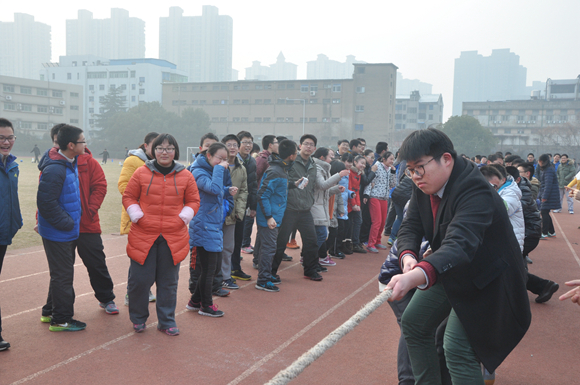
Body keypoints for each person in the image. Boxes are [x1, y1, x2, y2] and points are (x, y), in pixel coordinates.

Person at [386, 128, 530, 384]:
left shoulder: (475, 190)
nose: (415, 177)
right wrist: (408, 258)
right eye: (410, 170)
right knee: (413, 322)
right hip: (451, 269)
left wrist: (417, 275)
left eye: (419, 167)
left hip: (489, 279)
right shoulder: (424, 183)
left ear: (446, 159)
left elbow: (460, 243)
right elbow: (410, 226)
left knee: (457, 347)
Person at [123, 133, 200, 335]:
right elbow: (129, 196)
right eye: (160, 148)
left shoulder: (186, 175)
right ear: (152, 150)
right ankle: (138, 318)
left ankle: (166, 321)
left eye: (169, 148)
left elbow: (193, 201)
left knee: (168, 282)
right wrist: (136, 214)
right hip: (143, 234)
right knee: (139, 281)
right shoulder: (141, 172)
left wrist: (183, 217)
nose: (164, 152)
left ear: (175, 151)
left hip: (173, 236)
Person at [41, 124, 118, 323]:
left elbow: (100, 186)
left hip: (86, 224)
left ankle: (106, 299)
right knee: (61, 271)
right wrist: (40, 220)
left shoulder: (88, 162)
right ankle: (53, 309)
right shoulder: (53, 164)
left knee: (96, 263)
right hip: (63, 226)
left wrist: (90, 210)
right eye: (56, 142)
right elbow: (46, 197)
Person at [37, 125, 86, 332]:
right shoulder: (56, 168)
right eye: (83, 141)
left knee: (59, 274)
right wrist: (68, 223)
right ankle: (61, 319)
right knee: (64, 276)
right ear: (71, 145)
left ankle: (50, 312)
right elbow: (46, 203)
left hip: (64, 231)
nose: (85, 144)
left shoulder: (67, 163)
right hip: (59, 232)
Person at [187, 143, 233, 317]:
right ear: (208, 156)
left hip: (212, 225)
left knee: (211, 269)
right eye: (219, 158)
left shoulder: (211, 171)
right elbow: (213, 189)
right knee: (208, 270)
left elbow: (217, 191)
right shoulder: (197, 171)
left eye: (225, 159)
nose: (223, 162)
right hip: (203, 226)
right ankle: (206, 305)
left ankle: (195, 301)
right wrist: (220, 170)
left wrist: (228, 191)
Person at [272, 134, 322, 281]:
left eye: (311, 144)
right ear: (300, 146)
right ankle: (271, 271)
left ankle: (310, 270)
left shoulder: (313, 165)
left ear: (315, 148)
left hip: (306, 210)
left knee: (311, 241)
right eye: (306, 143)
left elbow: (313, 186)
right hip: (289, 209)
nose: (308, 147)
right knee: (280, 242)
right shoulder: (291, 160)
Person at [118, 132, 159, 305]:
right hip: (138, 218)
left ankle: (145, 289)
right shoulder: (133, 161)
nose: (158, 150)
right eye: (155, 146)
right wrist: (144, 203)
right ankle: (131, 294)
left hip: (155, 219)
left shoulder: (158, 164)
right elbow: (123, 186)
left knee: (151, 258)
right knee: (139, 257)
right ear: (146, 145)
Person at [254, 140, 298, 292]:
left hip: (274, 215)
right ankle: (263, 280)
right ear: (291, 155)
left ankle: (265, 275)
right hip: (269, 217)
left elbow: (278, 188)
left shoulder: (281, 169)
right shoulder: (276, 171)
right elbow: (263, 195)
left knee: (268, 247)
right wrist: (268, 216)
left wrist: (294, 184)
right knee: (269, 248)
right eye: (296, 153)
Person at [0, 118, 22, 350]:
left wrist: (16, 223)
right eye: (1, 138)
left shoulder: (11, 165)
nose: (7, 142)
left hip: (3, 232)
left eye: (10, 137)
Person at [218, 134, 248, 291]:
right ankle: (213, 277)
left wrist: (239, 210)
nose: (232, 148)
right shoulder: (216, 166)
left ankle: (225, 277)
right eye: (229, 144)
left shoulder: (241, 168)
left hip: (232, 213)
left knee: (228, 247)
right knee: (212, 247)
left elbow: (244, 191)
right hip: (215, 214)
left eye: (235, 145)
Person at [312, 148, 348, 266]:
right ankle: (310, 257)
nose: (332, 159)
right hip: (316, 206)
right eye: (330, 157)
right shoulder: (317, 169)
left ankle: (314, 257)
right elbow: (322, 186)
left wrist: (336, 189)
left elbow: (325, 191)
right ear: (322, 157)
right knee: (322, 233)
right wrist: (339, 175)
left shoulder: (324, 168)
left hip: (321, 205)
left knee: (322, 233)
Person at [365, 152, 396, 253]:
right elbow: (370, 181)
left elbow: (393, 184)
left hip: (384, 198)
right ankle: (371, 244)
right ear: (384, 159)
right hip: (375, 196)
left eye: (393, 159)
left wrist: (393, 173)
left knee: (383, 222)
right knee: (377, 221)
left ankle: (378, 241)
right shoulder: (376, 166)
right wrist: (366, 194)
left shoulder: (390, 169)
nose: (392, 161)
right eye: (391, 159)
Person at [237, 131, 258, 267]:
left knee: (240, 231)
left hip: (245, 202)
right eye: (245, 142)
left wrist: (253, 206)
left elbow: (253, 184)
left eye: (250, 142)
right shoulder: (232, 159)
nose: (248, 145)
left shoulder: (251, 161)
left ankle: (235, 260)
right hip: (232, 202)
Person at [537, 154, 561, 238]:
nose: (539, 163)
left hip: (549, 195)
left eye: (540, 161)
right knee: (545, 212)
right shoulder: (546, 169)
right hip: (547, 194)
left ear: (544, 162)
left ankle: (544, 232)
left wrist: (544, 197)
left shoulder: (548, 170)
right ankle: (551, 231)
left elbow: (548, 185)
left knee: (544, 212)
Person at [348, 155, 367, 253]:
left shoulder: (359, 173)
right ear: (355, 162)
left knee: (357, 221)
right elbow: (350, 189)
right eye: (362, 163)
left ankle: (354, 242)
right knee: (354, 222)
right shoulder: (350, 172)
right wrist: (354, 204)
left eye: (365, 164)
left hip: (355, 201)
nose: (363, 166)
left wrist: (358, 204)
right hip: (349, 202)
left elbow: (357, 191)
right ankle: (353, 243)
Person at [359, 149, 377, 244]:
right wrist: (373, 172)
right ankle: (361, 239)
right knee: (362, 218)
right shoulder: (365, 169)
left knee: (367, 218)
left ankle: (363, 238)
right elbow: (365, 181)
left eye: (374, 158)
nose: (372, 160)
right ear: (365, 157)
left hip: (365, 195)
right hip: (360, 195)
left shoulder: (368, 168)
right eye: (371, 157)